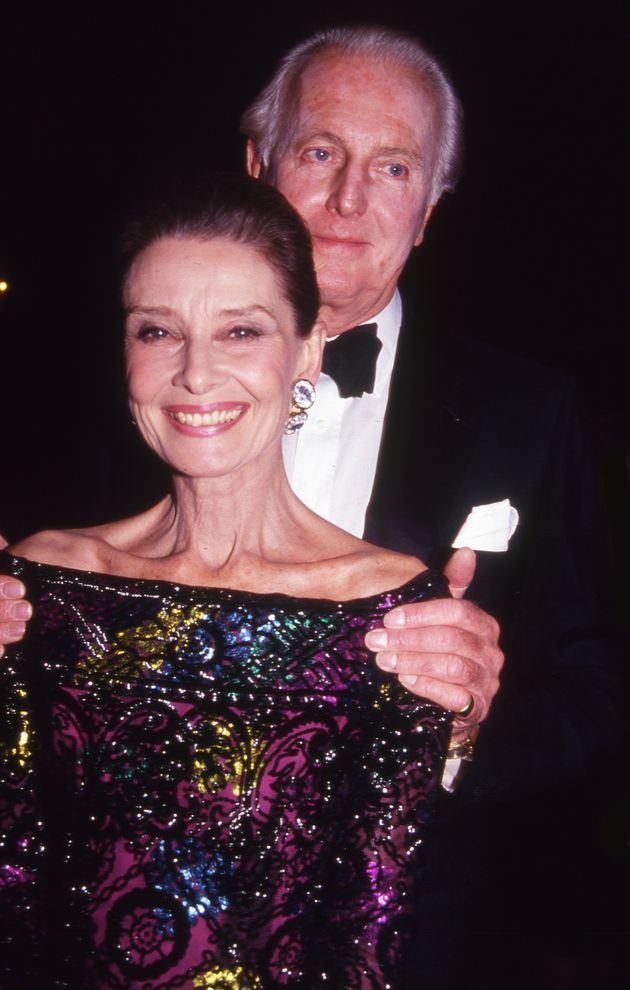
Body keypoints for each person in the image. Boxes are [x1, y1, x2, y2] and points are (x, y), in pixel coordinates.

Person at [0, 23, 622, 983]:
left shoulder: (529, 413)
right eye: (321, 151)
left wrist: (466, 727)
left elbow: (593, 694)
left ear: (428, 209)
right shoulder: (132, 394)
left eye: (394, 168)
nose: (346, 199)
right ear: (257, 164)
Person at [0, 173, 454, 989]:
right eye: (157, 331)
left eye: (241, 331)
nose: (196, 374)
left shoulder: (387, 613)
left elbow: (367, 942)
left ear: (308, 349)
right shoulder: (43, 585)